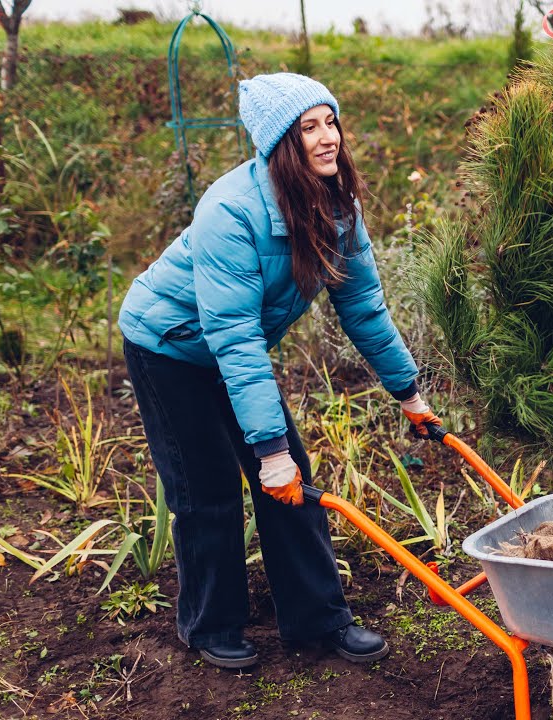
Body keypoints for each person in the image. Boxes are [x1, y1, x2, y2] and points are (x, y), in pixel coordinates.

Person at [117, 73, 441, 670]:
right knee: (208, 486)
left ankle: (318, 620)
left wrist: (409, 392)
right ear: (279, 145)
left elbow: (364, 306)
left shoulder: (339, 206)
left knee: (294, 481)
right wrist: (267, 449)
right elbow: (235, 338)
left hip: (230, 348)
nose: (328, 139)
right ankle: (210, 624)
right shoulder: (229, 212)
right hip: (170, 346)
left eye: (331, 122)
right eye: (309, 128)